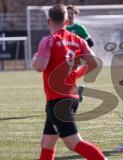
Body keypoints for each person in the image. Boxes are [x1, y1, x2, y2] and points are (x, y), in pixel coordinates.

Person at [32, 4, 106, 160]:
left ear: (48, 21)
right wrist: (75, 74)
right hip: (70, 98)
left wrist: (34, 59)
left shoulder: (48, 40)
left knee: (73, 143)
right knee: (47, 143)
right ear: (66, 21)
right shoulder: (79, 40)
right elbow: (95, 63)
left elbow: (39, 67)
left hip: (58, 100)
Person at [66, 5, 94, 103]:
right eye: (68, 13)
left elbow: (90, 43)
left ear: (75, 15)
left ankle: (73, 96)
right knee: (66, 78)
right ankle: (77, 91)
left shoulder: (79, 28)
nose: (70, 15)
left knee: (66, 77)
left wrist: (80, 52)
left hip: (76, 57)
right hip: (65, 57)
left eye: (72, 13)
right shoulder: (62, 28)